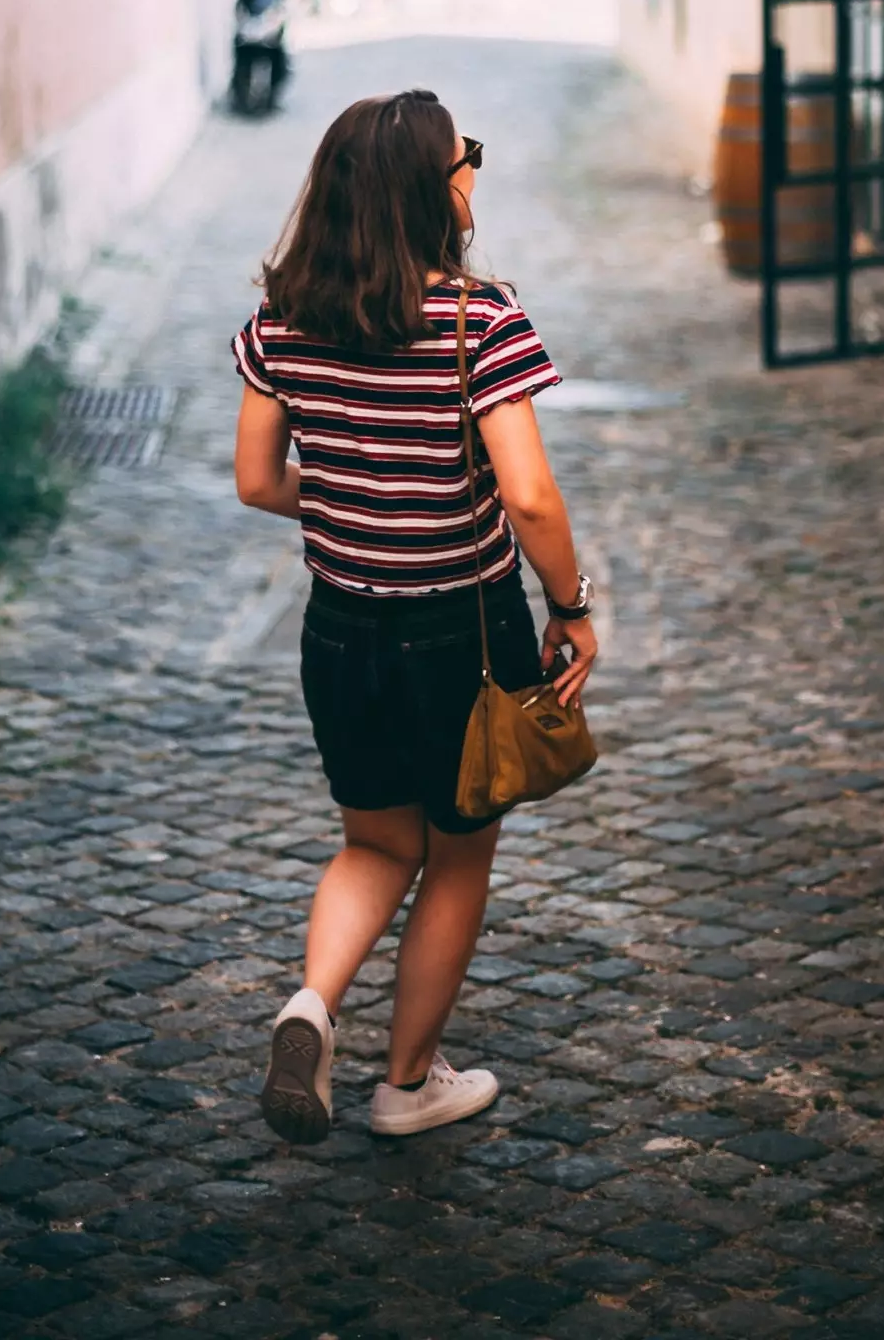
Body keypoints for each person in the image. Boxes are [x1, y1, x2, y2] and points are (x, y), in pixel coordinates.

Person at [231, 90, 599, 1144]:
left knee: (372, 843)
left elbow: (258, 481)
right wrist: (571, 608)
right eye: (464, 158)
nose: (473, 170)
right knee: (456, 851)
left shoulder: (281, 322)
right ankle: (405, 1086)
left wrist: (345, 489)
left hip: (339, 631)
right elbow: (528, 495)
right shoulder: (479, 321)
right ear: (431, 192)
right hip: (461, 634)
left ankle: (310, 1008)